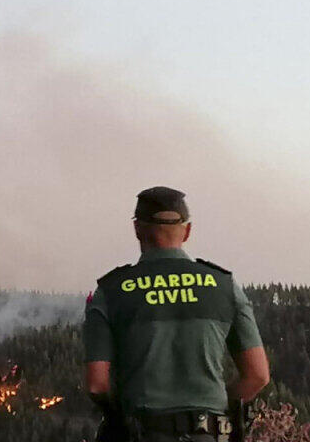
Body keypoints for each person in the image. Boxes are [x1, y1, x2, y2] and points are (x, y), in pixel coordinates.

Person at [83, 186, 270, 442]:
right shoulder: (223, 286)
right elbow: (258, 375)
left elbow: (97, 384)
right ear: (187, 231)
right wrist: (211, 409)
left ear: (137, 229)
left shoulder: (111, 291)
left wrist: (122, 416)